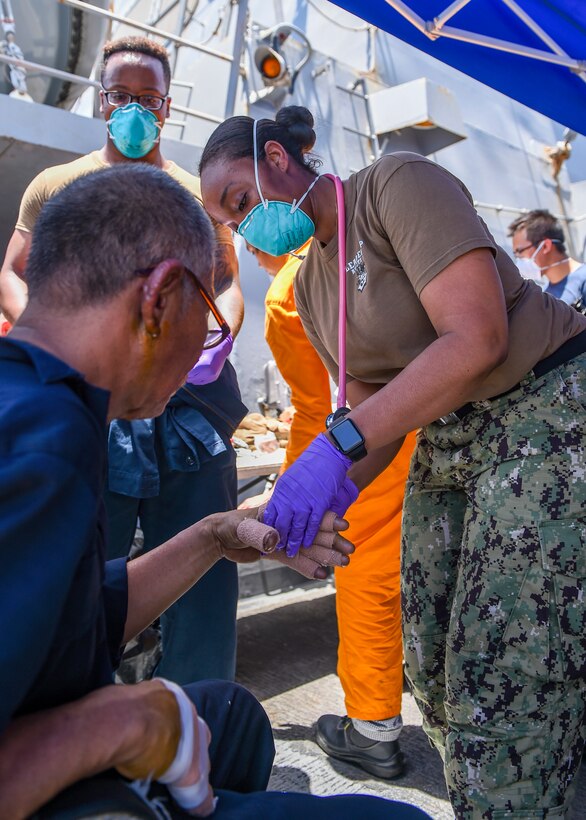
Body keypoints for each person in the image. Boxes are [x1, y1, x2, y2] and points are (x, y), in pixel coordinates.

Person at [0, 163, 434, 820]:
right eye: (207, 319)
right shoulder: (47, 445)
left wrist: (214, 534)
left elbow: (72, 620)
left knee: (233, 715)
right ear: (161, 299)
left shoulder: (39, 401)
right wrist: (130, 724)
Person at [199, 106, 586, 818]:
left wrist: (334, 450)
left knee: (506, 666)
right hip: (452, 438)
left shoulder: (396, 187)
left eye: (241, 202)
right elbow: (372, 414)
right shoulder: (314, 281)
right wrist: (306, 503)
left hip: (545, 412)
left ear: (278, 159)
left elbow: (476, 338)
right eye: (229, 220)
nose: (242, 226)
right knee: (433, 656)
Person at [0, 35, 247, 685]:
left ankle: (203, 717)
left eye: (148, 98)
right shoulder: (57, 185)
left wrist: (213, 344)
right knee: (80, 563)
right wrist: (65, 352)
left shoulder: (196, 195)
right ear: (99, 98)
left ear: (166, 107)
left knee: (203, 580)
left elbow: (226, 283)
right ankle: (77, 705)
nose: (133, 109)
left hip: (187, 404)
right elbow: (15, 273)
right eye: (120, 95)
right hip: (95, 401)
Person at [243, 241, 417, 779]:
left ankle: (371, 728)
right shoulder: (351, 259)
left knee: (364, 579)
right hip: (402, 431)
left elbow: (323, 398)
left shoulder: (288, 290)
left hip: (349, 449)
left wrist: (302, 474)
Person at [508, 209, 586, 305]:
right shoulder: (545, 296)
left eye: (520, 251)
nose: (518, 259)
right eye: (515, 254)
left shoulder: (583, 281)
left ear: (545, 246)